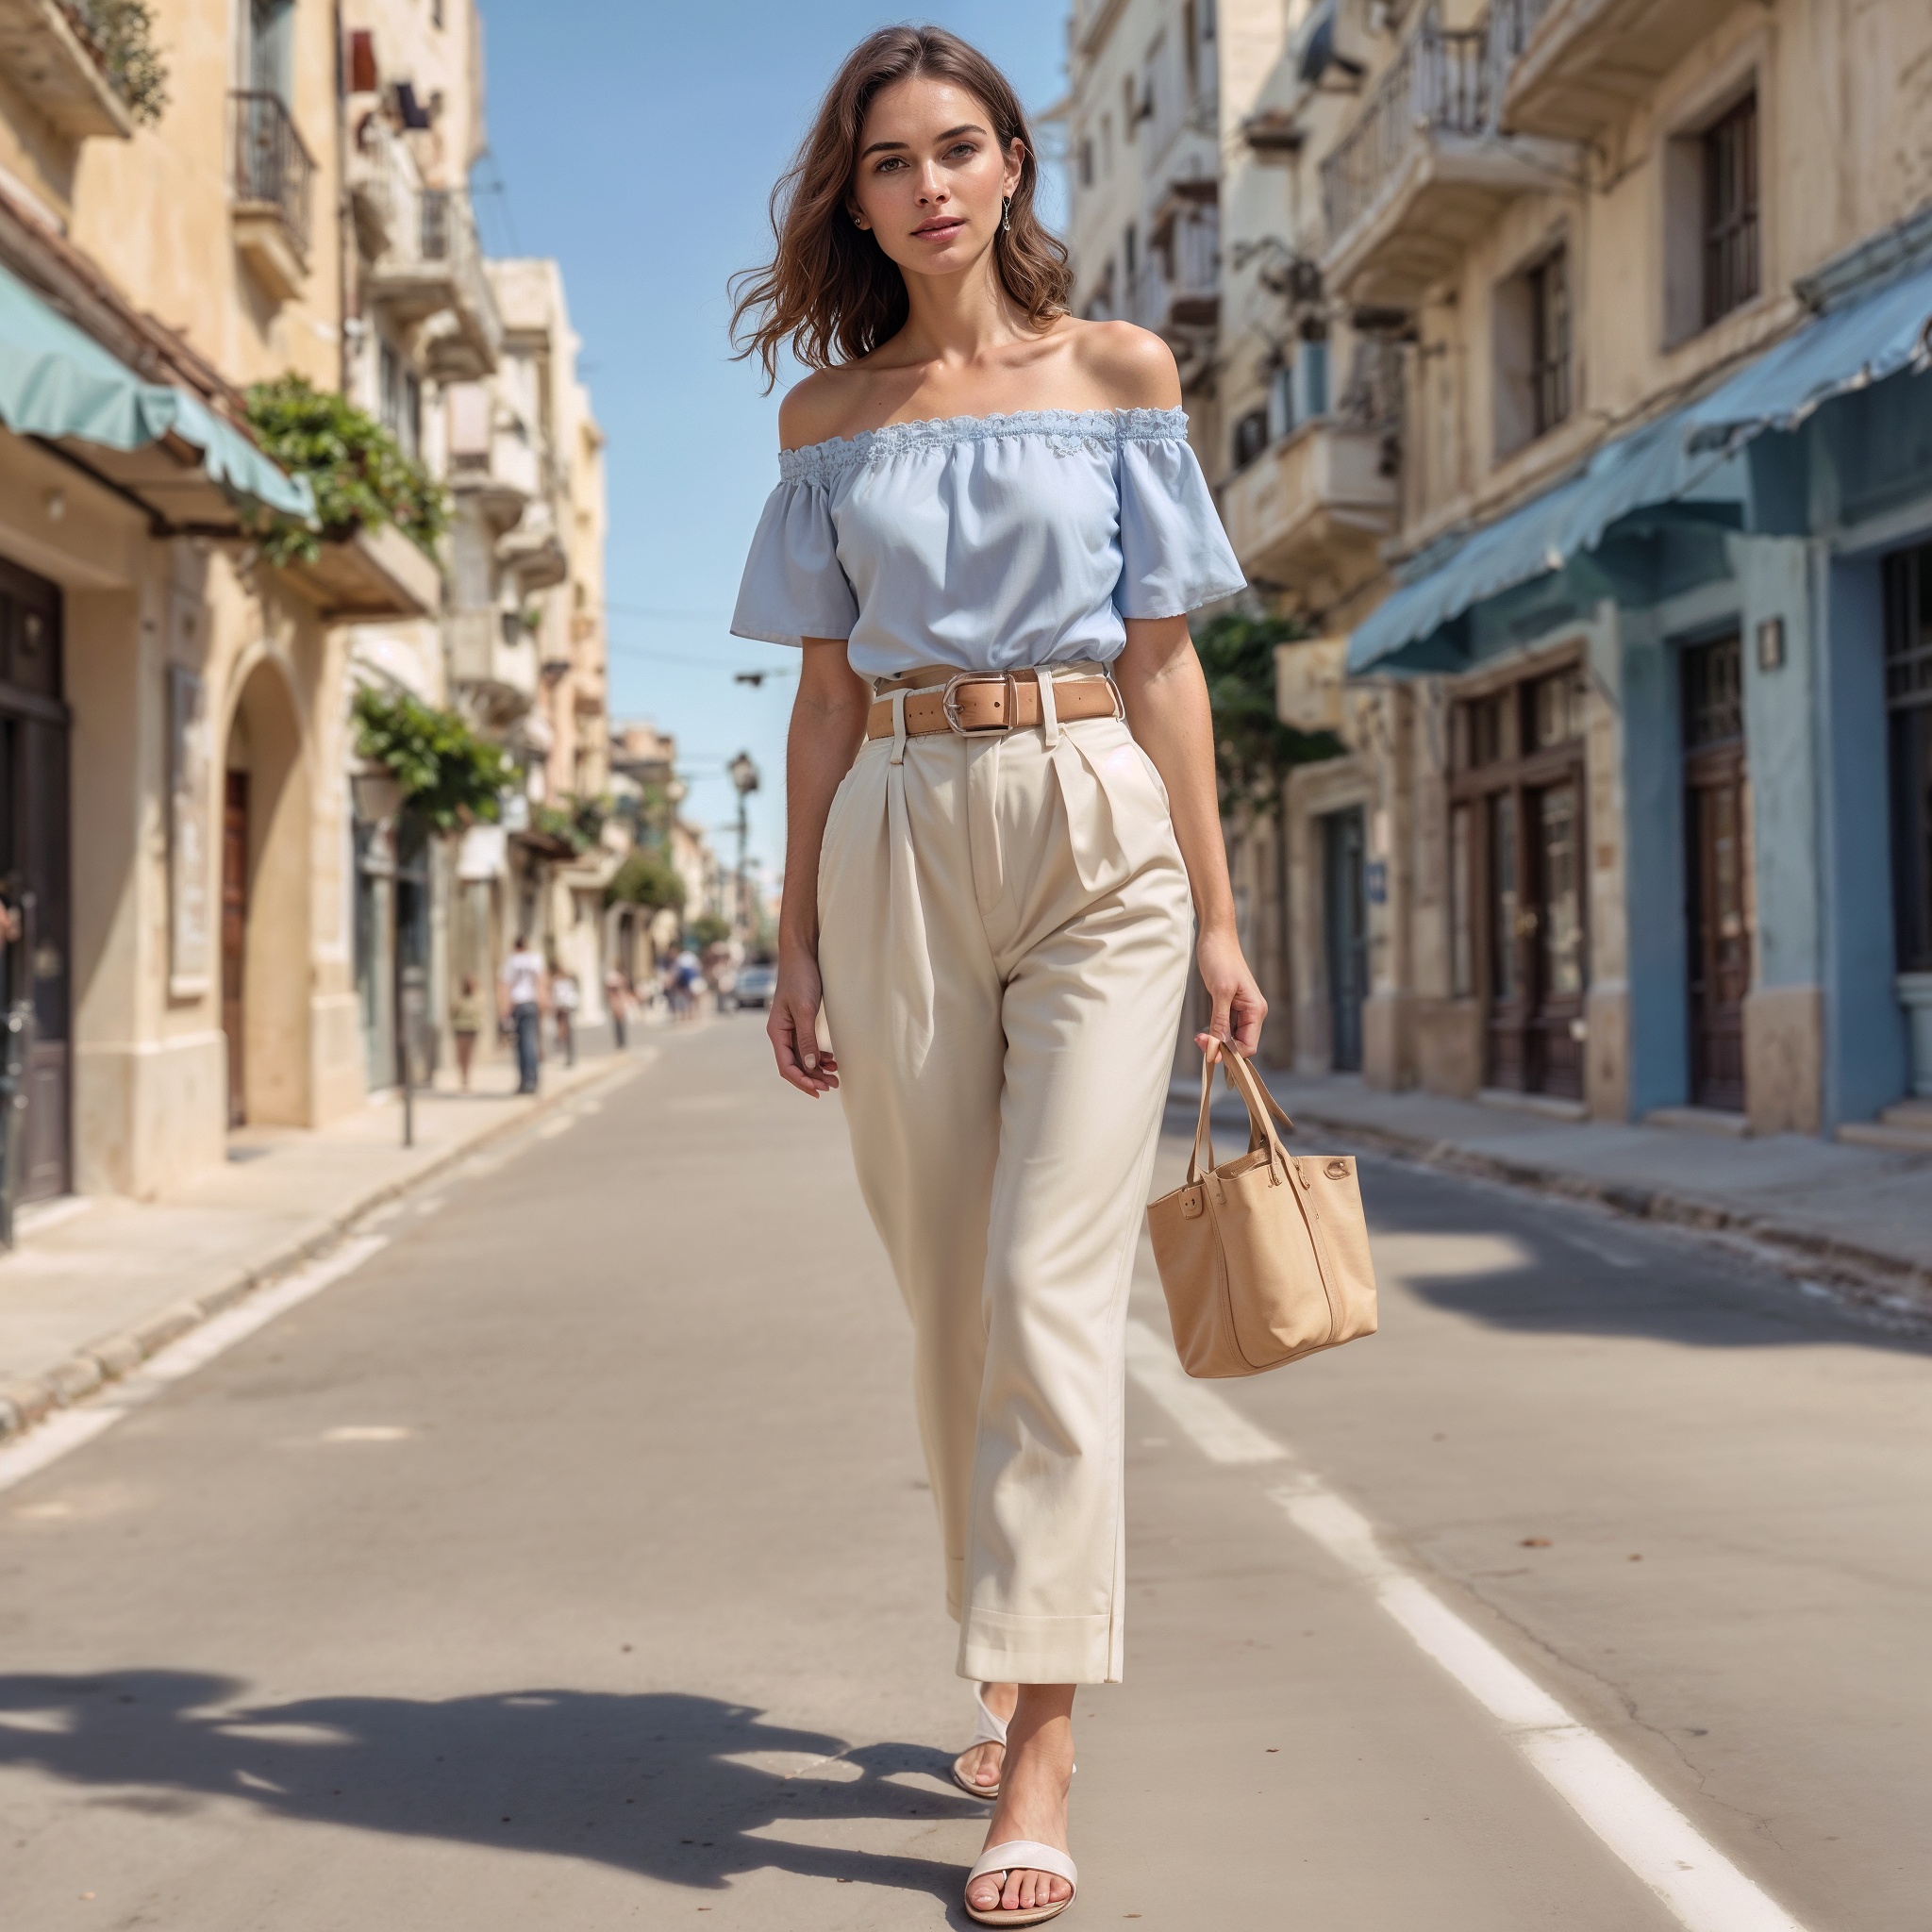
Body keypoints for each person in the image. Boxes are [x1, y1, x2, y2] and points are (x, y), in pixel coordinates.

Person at [729, 27, 1264, 1926]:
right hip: (891, 822)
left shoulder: (1119, 373)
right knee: (948, 1286)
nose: (930, 185)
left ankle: (1036, 1736)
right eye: (890, 162)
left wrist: (1213, 910)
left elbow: (1166, 663)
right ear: (854, 194)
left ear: (1015, 164)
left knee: (1051, 1288)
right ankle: (1005, 1629)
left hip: (1094, 828)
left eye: (959, 149)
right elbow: (811, 701)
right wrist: (790, 929)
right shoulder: (826, 422)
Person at [498, 934, 547, 1095]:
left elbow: (506, 985)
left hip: (517, 1004)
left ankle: (525, 1081)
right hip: (531, 1003)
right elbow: (541, 982)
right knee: (531, 1042)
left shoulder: (511, 961)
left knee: (520, 1045)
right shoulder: (535, 959)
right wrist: (543, 1003)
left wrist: (504, 1010)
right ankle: (533, 1079)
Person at [449, 974, 484, 1092]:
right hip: (460, 1030)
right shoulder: (459, 1000)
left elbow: (480, 1015)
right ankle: (463, 1078)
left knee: (468, 1056)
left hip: (471, 1031)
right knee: (461, 1056)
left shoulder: (477, 1000)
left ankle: (466, 1078)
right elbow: (452, 1013)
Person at [551, 960, 579, 1068]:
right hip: (561, 1008)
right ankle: (564, 1053)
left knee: (568, 1033)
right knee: (563, 1032)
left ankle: (569, 1056)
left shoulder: (568, 981)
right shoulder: (557, 982)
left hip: (567, 1008)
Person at [605, 968, 631, 1050]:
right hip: (616, 1003)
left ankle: (622, 1042)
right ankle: (620, 1042)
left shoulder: (618, 980)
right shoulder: (614, 981)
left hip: (618, 1003)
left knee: (620, 1023)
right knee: (617, 1023)